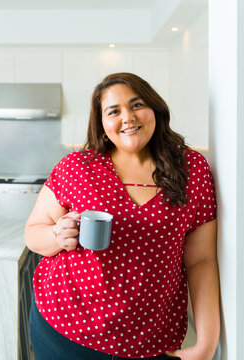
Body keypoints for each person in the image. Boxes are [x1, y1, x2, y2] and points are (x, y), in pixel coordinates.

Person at [24, 72, 219, 360]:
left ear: (156, 110)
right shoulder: (77, 167)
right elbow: (33, 232)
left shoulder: (192, 169)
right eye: (114, 111)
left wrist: (207, 344)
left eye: (137, 104)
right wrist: (57, 235)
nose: (127, 117)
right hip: (64, 328)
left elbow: (202, 260)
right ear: (103, 124)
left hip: (149, 341)